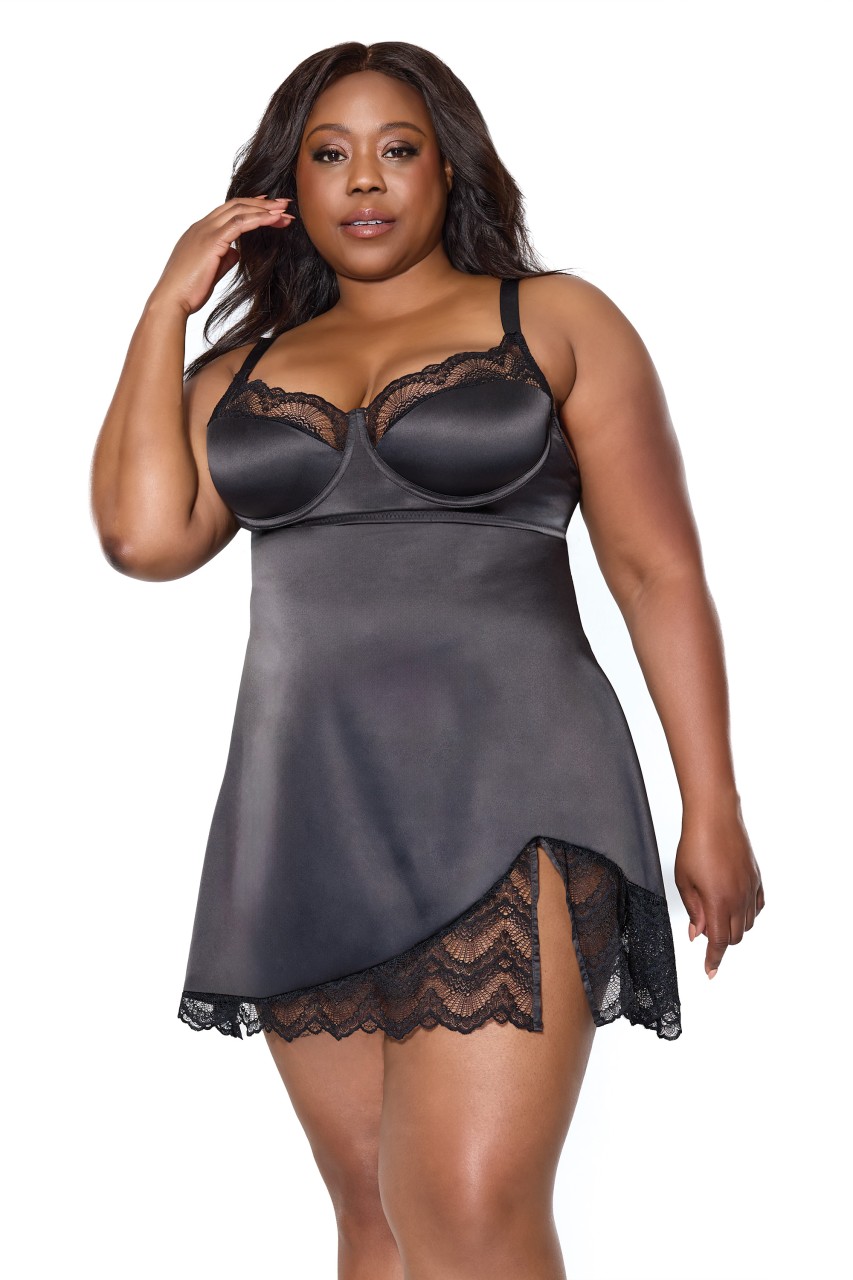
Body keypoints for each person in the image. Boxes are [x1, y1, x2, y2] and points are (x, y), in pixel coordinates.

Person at [90, 40, 765, 1280]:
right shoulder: (236, 372)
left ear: (446, 168)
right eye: (330, 153)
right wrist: (164, 307)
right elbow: (143, 536)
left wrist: (709, 804)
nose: (365, 179)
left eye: (397, 149)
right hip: (305, 810)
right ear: (287, 185)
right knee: (377, 1221)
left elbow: (655, 570)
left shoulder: (552, 320)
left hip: (520, 791)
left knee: (465, 1208)